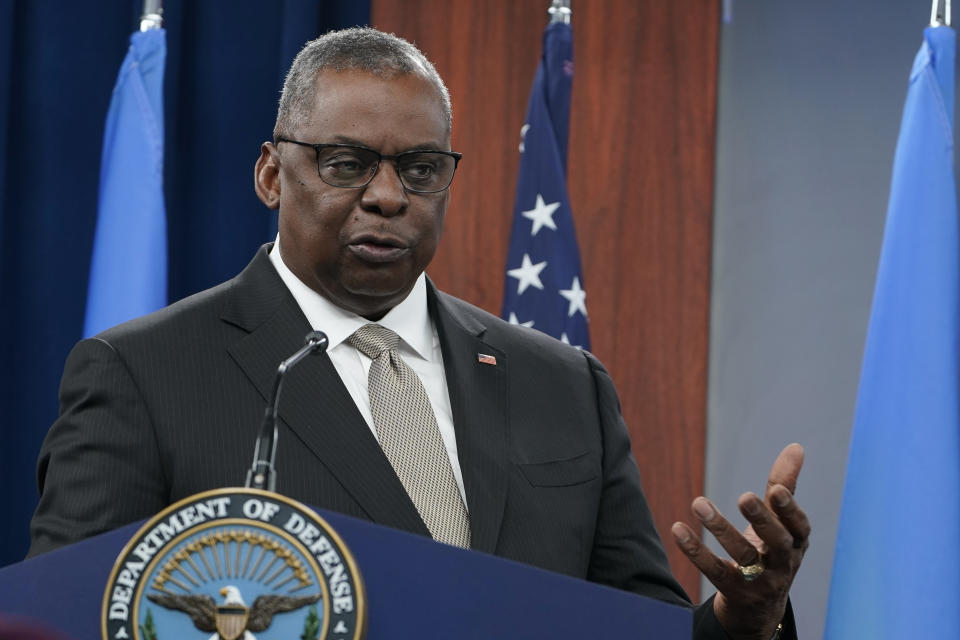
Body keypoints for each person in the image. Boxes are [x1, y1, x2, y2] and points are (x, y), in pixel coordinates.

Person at [30, 27, 808, 639]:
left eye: (422, 168)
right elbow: (62, 620)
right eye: (345, 163)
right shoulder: (144, 373)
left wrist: (742, 623)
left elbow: (629, 626)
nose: (387, 196)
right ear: (271, 174)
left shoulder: (563, 384)